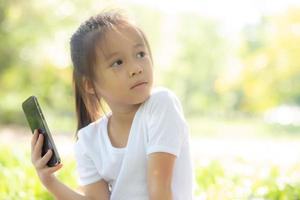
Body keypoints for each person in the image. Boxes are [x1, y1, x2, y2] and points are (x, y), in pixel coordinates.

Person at [30, 10, 194, 200]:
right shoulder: (88, 141)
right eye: (118, 62)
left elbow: (160, 190)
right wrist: (49, 180)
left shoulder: (161, 105)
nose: (136, 68)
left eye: (140, 54)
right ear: (90, 85)